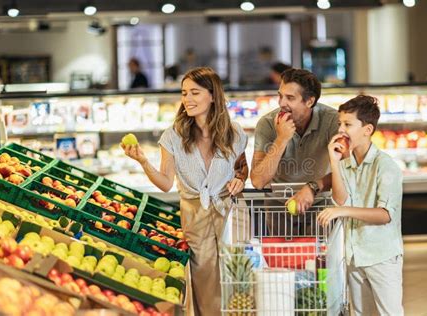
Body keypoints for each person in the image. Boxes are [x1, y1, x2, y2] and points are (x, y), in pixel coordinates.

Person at [122, 67, 248, 316]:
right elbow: (166, 183)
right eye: (184, 93)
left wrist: (240, 180)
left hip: (229, 214)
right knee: (204, 280)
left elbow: (242, 167)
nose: (187, 99)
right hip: (194, 215)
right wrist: (143, 162)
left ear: (213, 96)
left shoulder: (234, 133)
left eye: (194, 93)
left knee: (236, 275)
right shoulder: (174, 136)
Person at [318, 95, 404, 315]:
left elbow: (385, 214)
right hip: (354, 255)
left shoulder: (385, 166)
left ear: (367, 130)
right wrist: (334, 162)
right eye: (340, 124)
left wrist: (342, 211)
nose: (341, 129)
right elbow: (341, 200)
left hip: (381, 255)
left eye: (348, 124)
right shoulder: (345, 164)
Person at [250, 68, 338, 235]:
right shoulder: (267, 124)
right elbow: (258, 181)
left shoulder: (332, 121)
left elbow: (347, 171)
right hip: (278, 207)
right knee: (283, 260)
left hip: (320, 204)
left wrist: (312, 187)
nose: (282, 103)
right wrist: (281, 139)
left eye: (290, 98)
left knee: (319, 259)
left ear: (310, 101)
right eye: (280, 95)